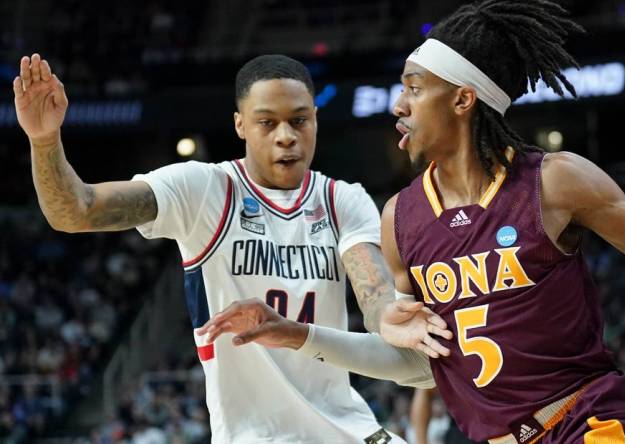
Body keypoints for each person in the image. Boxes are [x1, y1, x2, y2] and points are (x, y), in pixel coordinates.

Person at [195, 1, 625, 443]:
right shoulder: (400, 219)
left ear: (462, 99)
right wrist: (295, 334)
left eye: (413, 88)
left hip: (591, 423)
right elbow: (419, 364)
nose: (397, 104)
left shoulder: (555, 181)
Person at [13, 52, 431, 443]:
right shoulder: (203, 189)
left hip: (347, 429)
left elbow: (375, 296)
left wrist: (393, 316)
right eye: (267, 123)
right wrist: (45, 142)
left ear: (316, 120)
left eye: (299, 121)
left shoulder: (343, 199)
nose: (286, 137)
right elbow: (77, 211)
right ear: (240, 125)